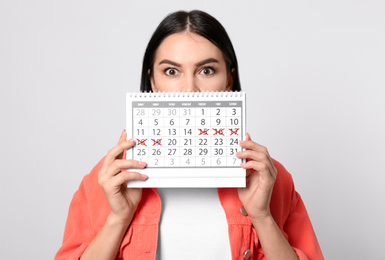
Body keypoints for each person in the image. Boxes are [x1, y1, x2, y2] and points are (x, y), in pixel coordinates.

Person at [55, 10, 323, 260]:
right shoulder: (107, 180)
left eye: (207, 70)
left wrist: (262, 216)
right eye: (171, 71)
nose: (189, 90)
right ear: (153, 82)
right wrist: (118, 217)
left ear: (228, 80)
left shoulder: (271, 179)